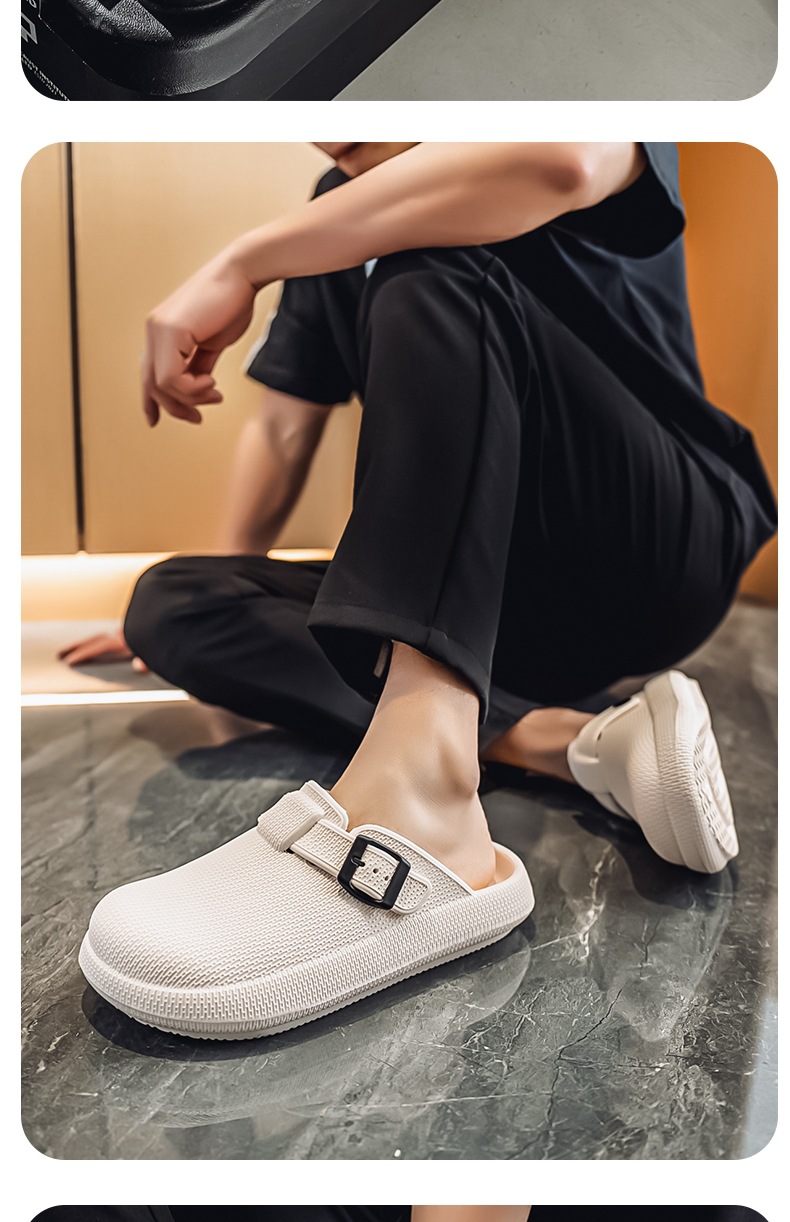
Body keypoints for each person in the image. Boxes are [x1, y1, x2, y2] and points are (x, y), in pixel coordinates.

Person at [74, 144, 776, 1040]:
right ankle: (571, 742)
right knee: (169, 600)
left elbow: (563, 164)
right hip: (481, 599)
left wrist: (244, 261)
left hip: (654, 543)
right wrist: (232, 587)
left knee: (430, 261)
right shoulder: (333, 204)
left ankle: (425, 792)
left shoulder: (530, 115)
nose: (327, 137)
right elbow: (285, 430)